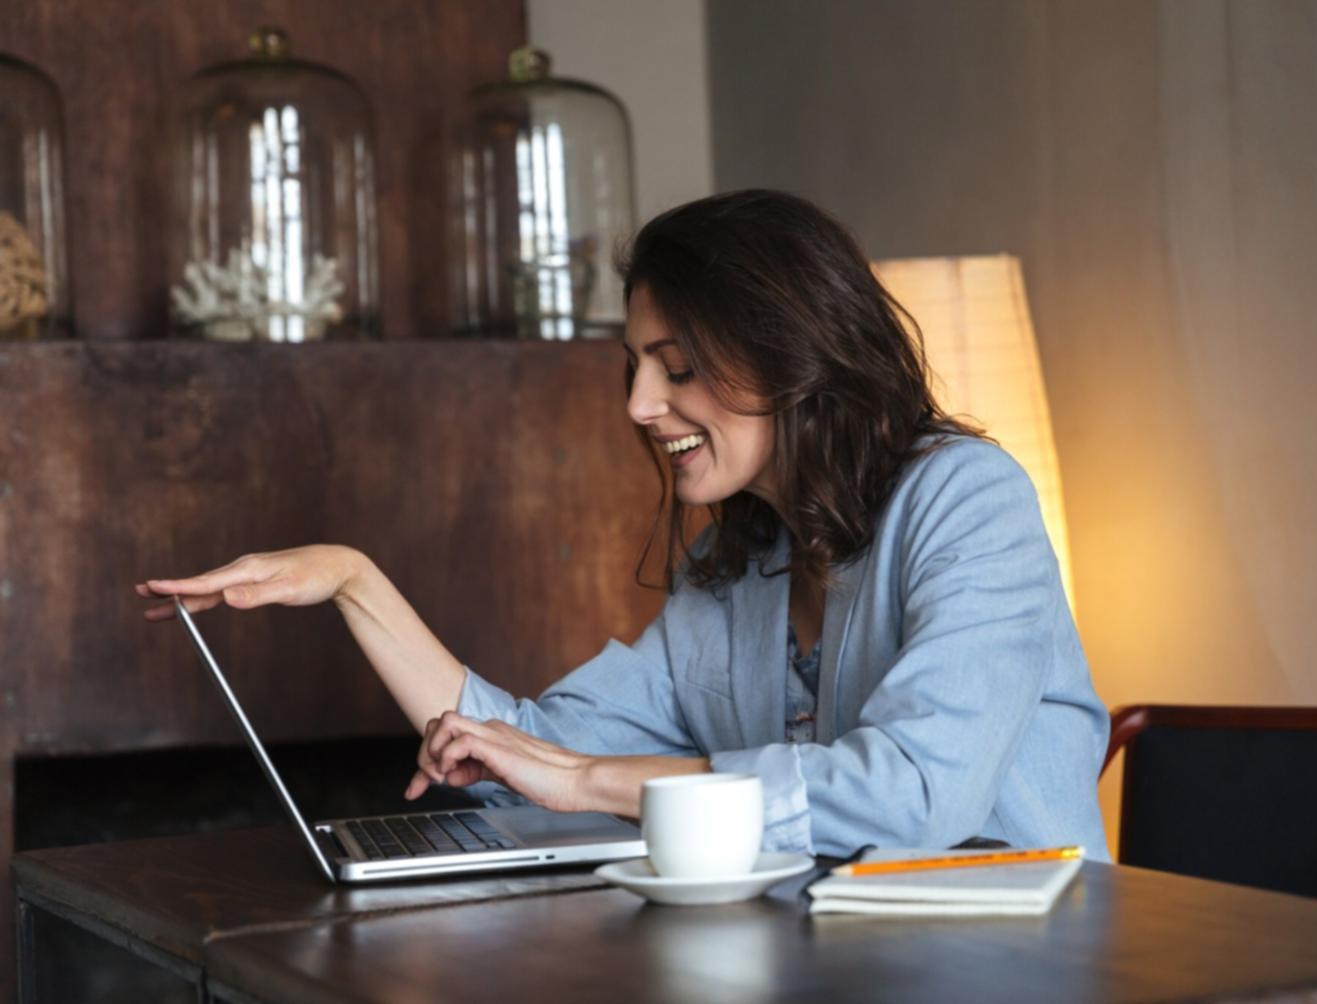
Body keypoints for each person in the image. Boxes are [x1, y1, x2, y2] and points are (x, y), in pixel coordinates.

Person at [138, 190, 1110, 860]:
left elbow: (911, 792)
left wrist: (596, 779)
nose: (640, 404)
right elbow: (528, 757)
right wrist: (355, 581)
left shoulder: (967, 498)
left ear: (792, 354)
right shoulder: (738, 568)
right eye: (636, 365)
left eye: (676, 364)